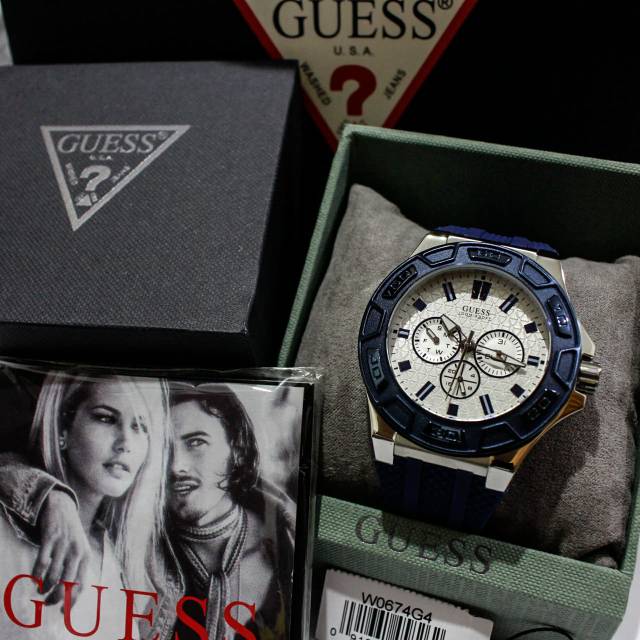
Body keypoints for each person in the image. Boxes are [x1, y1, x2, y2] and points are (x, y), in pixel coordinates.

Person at [0, 381, 296, 640]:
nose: (176, 466)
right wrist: (52, 498)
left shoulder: (287, 540)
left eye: (196, 442)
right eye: (165, 449)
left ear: (237, 449)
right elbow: (19, 453)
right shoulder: (137, 542)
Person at [0, 370, 172, 640]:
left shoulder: (130, 566)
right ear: (63, 430)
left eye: (140, 427)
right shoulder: (6, 532)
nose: (125, 443)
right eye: (106, 418)